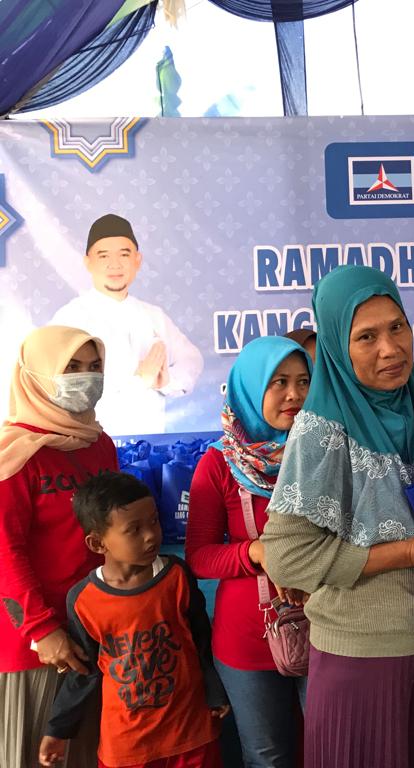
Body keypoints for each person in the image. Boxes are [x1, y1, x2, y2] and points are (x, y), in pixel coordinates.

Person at [258, 264, 414, 768]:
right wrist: (410, 552)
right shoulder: (321, 429)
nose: (390, 348)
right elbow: (287, 557)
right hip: (359, 656)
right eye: (366, 336)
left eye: (397, 327)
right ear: (337, 346)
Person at [38, 472, 229, 767]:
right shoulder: (83, 600)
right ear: (97, 543)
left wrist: (215, 692)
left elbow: (201, 639)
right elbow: (85, 671)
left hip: (191, 736)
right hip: (126, 747)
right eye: (134, 529)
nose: (151, 535)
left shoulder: (176, 576)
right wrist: (58, 729)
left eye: (154, 521)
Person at [185, 336, 312, 768]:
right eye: (279, 382)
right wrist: (255, 552)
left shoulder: (324, 452)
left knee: (331, 747)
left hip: (326, 626)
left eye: (303, 381)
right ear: (250, 387)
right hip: (248, 639)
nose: (294, 394)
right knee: (266, 756)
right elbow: (199, 556)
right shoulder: (219, 463)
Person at [0, 326, 118, 768]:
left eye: (94, 367)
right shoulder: (14, 455)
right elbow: (5, 552)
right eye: (71, 367)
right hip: (35, 642)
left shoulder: (99, 444)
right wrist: (41, 630)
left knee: (86, 753)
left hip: (93, 629)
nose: (86, 377)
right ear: (38, 373)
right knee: (32, 754)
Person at [51, 214, 203, 436]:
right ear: (88, 263)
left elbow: (192, 359)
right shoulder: (69, 319)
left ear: (137, 260)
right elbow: (66, 392)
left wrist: (165, 381)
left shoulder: (153, 316)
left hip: (149, 442)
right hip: (90, 442)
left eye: (124, 254)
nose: (115, 264)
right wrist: (140, 381)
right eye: (104, 256)